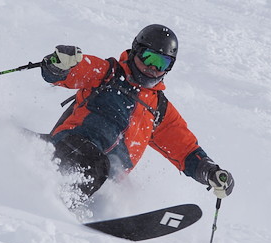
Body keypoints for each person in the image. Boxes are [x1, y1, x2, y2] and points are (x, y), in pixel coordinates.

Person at [40, 24, 234, 213]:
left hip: (106, 175)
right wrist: (60, 64)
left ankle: (101, 216)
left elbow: (185, 148)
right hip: (70, 148)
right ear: (136, 51)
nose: (152, 67)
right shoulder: (107, 73)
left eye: (161, 63)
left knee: (125, 191)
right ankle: (55, 202)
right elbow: (74, 70)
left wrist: (210, 172)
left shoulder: (158, 109)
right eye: (148, 58)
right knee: (96, 164)